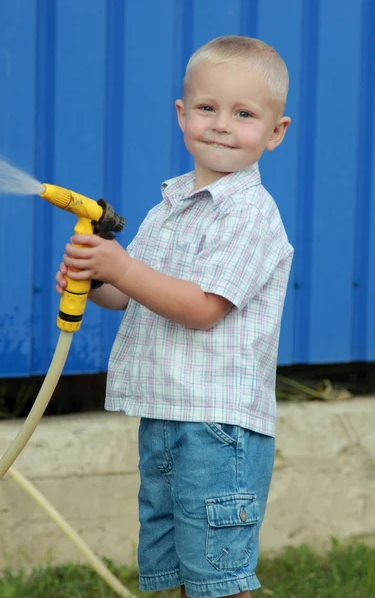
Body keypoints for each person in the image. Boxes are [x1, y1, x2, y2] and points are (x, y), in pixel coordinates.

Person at [56, 35, 294, 598]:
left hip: (217, 428)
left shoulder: (250, 214)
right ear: (182, 115)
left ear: (275, 132)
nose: (221, 124)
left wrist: (122, 266)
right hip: (165, 416)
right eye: (207, 108)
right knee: (181, 575)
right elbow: (135, 295)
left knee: (220, 576)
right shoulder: (168, 208)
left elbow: (202, 309)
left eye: (244, 114)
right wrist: (97, 281)